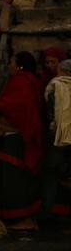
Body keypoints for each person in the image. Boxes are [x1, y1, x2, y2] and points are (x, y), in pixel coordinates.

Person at [0, 52, 44, 230]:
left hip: (16, 137)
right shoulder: (30, 80)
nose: (8, 65)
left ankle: (23, 219)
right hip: (20, 136)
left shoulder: (22, 81)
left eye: (11, 62)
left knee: (14, 178)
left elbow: (18, 103)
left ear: (19, 66)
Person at [44, 59, 71, 222]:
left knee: (56, 174)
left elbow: (49, 112)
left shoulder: (55, 85)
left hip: (59, 137)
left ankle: (53, 213)